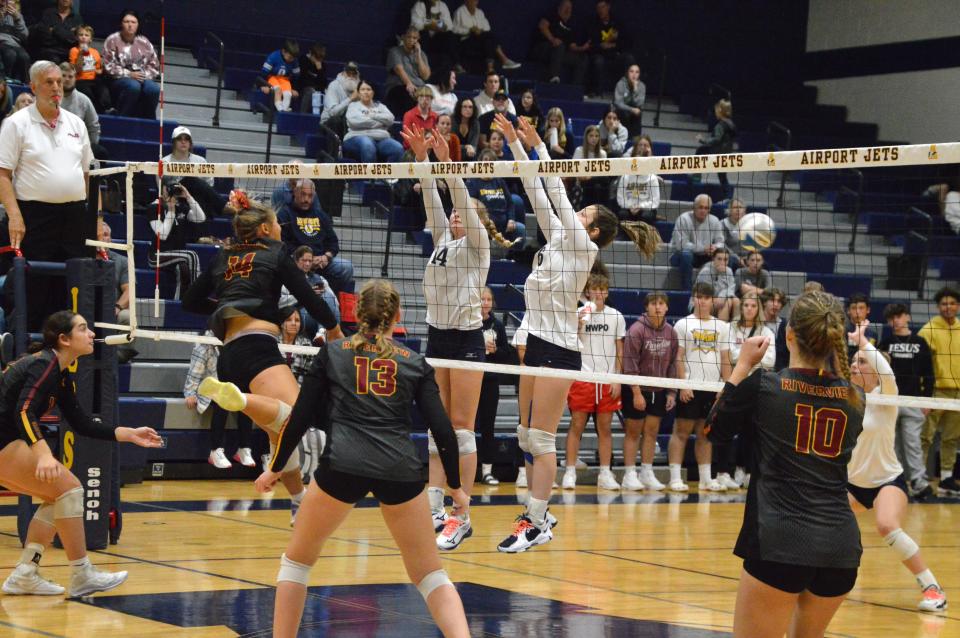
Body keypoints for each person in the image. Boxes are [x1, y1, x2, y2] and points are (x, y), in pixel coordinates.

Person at [246, 279, 470, 638]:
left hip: (342, 466)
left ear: (355, 313)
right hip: (399, 470)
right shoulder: (415, 362)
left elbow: (299, 417)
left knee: (296, 563)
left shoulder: (333, 353)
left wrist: (275, 467)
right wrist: (456, 487)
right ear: (397, 316)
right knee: (430, 574)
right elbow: (443, 431)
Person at [494, 114, 659, 551]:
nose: (576, 214)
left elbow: (559, 198)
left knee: (542, 438)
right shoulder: (558, 241)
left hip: (560, 350)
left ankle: (535, 521)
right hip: (540, 343)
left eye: (585, 214)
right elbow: (537, 190)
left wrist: (541, 148)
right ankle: (538, 513)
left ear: (594, 229)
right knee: (526, 436)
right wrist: (515, 144)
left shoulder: (583, 246)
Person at [706, 290, 865, 638]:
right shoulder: (856, 398)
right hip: (840, 549)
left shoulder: (765, 386)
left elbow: (713, 430)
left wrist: (742, 366)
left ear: (789, 334)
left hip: (780, 541)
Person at [182, 192, 342, 525]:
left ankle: (299, 502)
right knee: (295, 420)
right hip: (257, 348)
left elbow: (190, 301)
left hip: (229, 353)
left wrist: (228, 308)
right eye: (279, 225)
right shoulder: (276, 253)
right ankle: (240, 399)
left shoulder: (223, 255)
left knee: (279, 433)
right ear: (267, 229)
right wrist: (335, 331)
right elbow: (307, 297)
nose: (283, 229)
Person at [0, 311, 161, 597]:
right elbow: (23, 410)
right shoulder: (44, 364)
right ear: (64, 339)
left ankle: (26, 573)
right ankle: (82, 573)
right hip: (4, 440)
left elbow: (81, 423)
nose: (92, 334)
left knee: (58, 496)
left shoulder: (60, 373)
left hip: (8, 441)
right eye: (84, 329)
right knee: (71, 490)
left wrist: (128, 433)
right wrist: (43, 454)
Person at [403, 127, 510, 551]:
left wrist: (450, 164)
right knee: (437, 426)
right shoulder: (443, 240)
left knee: (462, 431)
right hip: (437, 336)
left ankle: (461, 516)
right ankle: (433, 504)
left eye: (461, 215)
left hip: (466, 338)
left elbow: (458, 197)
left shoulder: (477, 245)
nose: (454, 216)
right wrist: (421, 159)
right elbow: (433, 195)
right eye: (453, 215)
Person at [847, 330, 947, 611]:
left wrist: (863, 342)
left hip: (886, 481)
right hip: (851, 485)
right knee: (818, 521)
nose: (856, 365)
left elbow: (886, 370)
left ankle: (932, 589)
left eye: (862, 362)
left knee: (887, 525)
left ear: (876, 370)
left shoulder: (886, 395)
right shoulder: (845, 396)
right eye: (853, 361)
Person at [0, 60, 93, 330]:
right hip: (35, 216)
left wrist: (94, 217)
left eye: (59, 82)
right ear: (33, 86)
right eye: (49, 82)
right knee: (35, 288)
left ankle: (70, 356)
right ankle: (29, 355)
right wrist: (14, 215)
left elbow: (88, 175)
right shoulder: (16, 124)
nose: (56, 87)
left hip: (74, 216)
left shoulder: (76, 123)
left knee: (72, 288)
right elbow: (3, 174)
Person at [562, 273, 625, 490]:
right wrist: (579, 324)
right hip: (583, 377)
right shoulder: (579, 313)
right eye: (594, 289)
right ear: (587, 292)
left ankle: (605, 474)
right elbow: (571, 344)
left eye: (602, 289)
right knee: (576, 424)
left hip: (607, 379)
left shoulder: (616, 316)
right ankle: (570, 472)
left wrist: (617, 379)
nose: (598, 293)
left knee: (605, 428)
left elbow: (620, 350)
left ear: (607, 292)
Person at [669, 281, 732, 492]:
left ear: (712, 301)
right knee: (681, 432)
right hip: (691, 386)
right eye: (699, 297)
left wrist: (726, 388)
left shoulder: (722, 327)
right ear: (694, 299)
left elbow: (725, 359)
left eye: (706, 298)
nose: (703, 301)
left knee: (706, 434)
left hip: (713, 387)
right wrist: (683, 385)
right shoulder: (683, 324)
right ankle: (675, 477)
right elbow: (678, 357)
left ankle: (706, 479)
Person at [620, 292, 678, 491]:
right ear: (647, 307)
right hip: (636, 387)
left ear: (667, 307)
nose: (658, 307)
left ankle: (646, 472)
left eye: (662, 303)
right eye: (654, 304)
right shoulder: (636, 330)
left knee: (652, 432)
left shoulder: (671, 332)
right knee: (633, 431)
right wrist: (636, 393)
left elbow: (672, 364)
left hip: (659, 388)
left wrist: (671, 392)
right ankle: (629, 474)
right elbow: (629, 364)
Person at [719, 294, 776, 489]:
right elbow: (727, 355)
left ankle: (745, 470)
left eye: (753, 305)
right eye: (746, 305)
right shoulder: (730, 328)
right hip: (736, 382)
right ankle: (723, 472)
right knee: (727, 427)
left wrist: (744, 357)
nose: (749, 309)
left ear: (758, 308)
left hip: (755, 385)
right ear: (740, 307)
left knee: (752, 431)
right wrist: (749, 357)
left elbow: (770, 361)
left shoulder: (766, 330)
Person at [878, 303, 935, 498]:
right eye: (890, 318)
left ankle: (919, 482)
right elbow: (877, 372)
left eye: (898, 316)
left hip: (913, 401)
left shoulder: (920, 342)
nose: (895, 321)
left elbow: (929, 374)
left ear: (907, 317)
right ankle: (896, 481)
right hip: (889, 400)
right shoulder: (885, 343)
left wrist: (927, 401)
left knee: (913, 443)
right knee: (890, 444)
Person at [183, 335, 256, 470]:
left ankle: (243, 448)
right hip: (210, 388)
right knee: (222, 401)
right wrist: (190, 393)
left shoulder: (239, 341)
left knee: (247, 398)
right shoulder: (205, 345)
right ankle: (215, 450)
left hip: (232, 387)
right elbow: (194, 372)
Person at [277, 180, 354, 295]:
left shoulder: (320, 215)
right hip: (297, 263)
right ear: (295, 192)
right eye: (303, 194)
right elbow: (283, 245)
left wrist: (326, 257)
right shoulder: (284, 214)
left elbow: (333, 242)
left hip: (321, 262)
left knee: (346, 267)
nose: (306, 199)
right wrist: (306, 260)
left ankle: (337, 302)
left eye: (310, 196)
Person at [918, 286, 960, 494]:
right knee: (925, 436)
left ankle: (946, 479)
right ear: (938, 307)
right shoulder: (928, 330)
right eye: (944, 304)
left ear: (958, 306)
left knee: (951, 438)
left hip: (958, 394)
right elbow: (920, 363)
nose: (948, 307)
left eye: (952, 303)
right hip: (935, 391)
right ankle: (917, 478)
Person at [476, 287, 515, 485]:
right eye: (482, 299)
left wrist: (495, 349)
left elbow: (506, 354)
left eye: (488, 299)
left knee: (488, 426)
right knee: (463, 426)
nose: (485, 302)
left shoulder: (497, 325)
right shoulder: (470, 323)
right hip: (470, 380)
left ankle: (487, 471)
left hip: (490, 380)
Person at [148, 183, 205, 299]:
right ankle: (196, 297)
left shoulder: (180, 207)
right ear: (161, 189)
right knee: (191, 255)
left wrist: (188, 197)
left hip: (177, 255)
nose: (170, 192)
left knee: (183, 268)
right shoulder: (154, 208)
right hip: (157, 256)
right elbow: (162, 235)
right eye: (167, 188)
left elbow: (200, 218)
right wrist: (171, 211)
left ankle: (181, 301)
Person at [102, 10, 160, 119]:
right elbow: (108, 65)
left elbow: (154, 66)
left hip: (142, 77)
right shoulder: (112, 40)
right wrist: (129, 74)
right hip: (118, 79)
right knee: (133, 86)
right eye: (126, 22)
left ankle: (148, 121)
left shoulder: (144, 42)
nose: (130, 25)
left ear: (138, 25)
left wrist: (141, 75)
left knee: (153, 89)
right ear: (121, 23)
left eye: (133, 22)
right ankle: (123, 118)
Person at [161, 126, 228, 218]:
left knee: (195, 183)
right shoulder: (164, 162)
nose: (183, 142)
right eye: (179, 139)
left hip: (198, 202)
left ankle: (217, 209)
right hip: (178, 200)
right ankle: (223, 207)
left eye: (187, 139)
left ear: (190, 143)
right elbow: (163, 191)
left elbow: (209, 187)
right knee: (190, 179)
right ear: (174, 142)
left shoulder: (201, 161)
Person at [669, 194, 724, 291]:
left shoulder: (715, 221)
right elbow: (681, 245)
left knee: (728, 258)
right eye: (700, 207)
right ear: (694, 207)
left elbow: (721, 242)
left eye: (706, 208)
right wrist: (703, 248)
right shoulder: (684, 219)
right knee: (686, 255)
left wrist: (715, 248)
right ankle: (688, 291)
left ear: (709, 210)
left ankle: (721, 291)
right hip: (680, 255)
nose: (703, 210)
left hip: (704, 255)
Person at [343, 80, 405, 164]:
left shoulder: (381, 106)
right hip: (357, 137)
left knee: (398, 148)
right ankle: (370, 177)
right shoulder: (353, 106)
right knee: (368, 144)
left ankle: (389, 177)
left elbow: (390, 119)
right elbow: (354, 122)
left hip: (381, 139)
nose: (366, 92)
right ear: (358, 93)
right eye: (363, 89)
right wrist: (381, 123)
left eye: (369, 89)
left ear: (373, 92)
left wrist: (372, 115)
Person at [451, 0, 521, 74]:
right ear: (466, 1)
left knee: (489, 38)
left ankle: (490, 69)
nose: (474, 2)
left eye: (475, 1)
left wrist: (479, 30)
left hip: (481, 38)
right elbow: (455, 29)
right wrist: (470, 30)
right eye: (471, 1)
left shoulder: (480, 12)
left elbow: (487, 27)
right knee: (488, 38)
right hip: (466, 39)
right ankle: (504, 60)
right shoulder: (459, 11)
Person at [532, 0, 588, 85]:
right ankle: (553, 77)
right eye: (565, 7)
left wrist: (582, 48)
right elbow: (542, 26)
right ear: (559, 8)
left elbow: (572, 46)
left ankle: (575, 87)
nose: (568, 10)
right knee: (560, 46)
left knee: (582, 59)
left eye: (570, 8)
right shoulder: (552, 15)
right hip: (543, 48)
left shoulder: (570, 25)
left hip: (559, 53)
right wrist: (552, 39)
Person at [58, 62, 107, 160]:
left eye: (70, 76)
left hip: (77, 145)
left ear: (75, 79)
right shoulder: (48, 97)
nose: (67, 79)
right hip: (53, 143)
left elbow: (94, 127)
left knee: (100, 152)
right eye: (63, 76)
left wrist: (88, 147)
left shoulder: (84, 100)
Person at [586, 0, 634, 97]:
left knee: (629, 58)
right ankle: (597, 92)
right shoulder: (593, 23)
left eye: (602, 7)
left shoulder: (617, 22)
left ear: (608, 7)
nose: (600, 10)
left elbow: (627, 41)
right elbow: (591, 44)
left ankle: (627, 91)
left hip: (615, 54)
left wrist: (614, 45)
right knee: (598, 61)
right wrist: (601, 45)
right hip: (600, 54)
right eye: (598, 8)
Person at [383, 27, 431, 118]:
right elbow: (399, 69)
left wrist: (419, 55)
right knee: (407, 95)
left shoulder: (422, 54)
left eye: (414, 38)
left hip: (419, 88)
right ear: (403, 37)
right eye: (409, 37)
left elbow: (426, 76)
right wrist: (409, 84)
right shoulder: (395, 51)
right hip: (399, 86)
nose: (411, 40)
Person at [466, 170, 525, 244]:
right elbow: (472, 206)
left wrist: (511, 219)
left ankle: (512, 254)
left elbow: (510, 203)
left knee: (520, 229)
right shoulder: (473, 182)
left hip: (504, 224)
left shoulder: (499, 181)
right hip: (485, 224)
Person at [615, 135, 659, 223]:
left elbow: (655, 201)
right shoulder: (625, 176)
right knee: (622, 214)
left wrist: (640, 206)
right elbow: (620, 198)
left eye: (645, 145)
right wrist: (631, 206)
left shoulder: (652, 178)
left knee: (646, 216)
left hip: (645, 208)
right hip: (629, 207)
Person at [696, 99, 737, 192]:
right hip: (726, 153)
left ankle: (696, 175)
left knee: (701, 150)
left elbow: (716, 139)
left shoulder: (721, 125)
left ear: (720, 111)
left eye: (716, 110)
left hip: (717, 152)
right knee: (722, 176)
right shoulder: (731, 124)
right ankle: (728, 194)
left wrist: (703, 140)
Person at [68, 25, 110, 113]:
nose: (83, 37)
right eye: (81, 35)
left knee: (103, 92)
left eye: (86, 35)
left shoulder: (95, 52)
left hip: (94, 79)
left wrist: (100, 70)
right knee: (87, 93)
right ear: (76, 37)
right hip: (80, 79)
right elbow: (76, 70)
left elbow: (98, 70)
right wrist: (80, 54)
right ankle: (92, 112)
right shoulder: (74, 50)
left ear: (90, 39)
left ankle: (105, 110)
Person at [410, 0, 458, 72]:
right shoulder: (419, 5)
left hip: (436, 38)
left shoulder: (442, 5)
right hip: (422, 38)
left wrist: (438, 25)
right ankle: (421, 64)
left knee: (450, 35)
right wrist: (429, 25)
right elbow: (416, 24)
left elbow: (449, 26)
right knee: (423, 33)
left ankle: (454, 65)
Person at [694, 247, 739, 322]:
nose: (722, 262)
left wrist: (722, 296)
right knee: (727, 302)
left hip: (719, 300)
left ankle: (736, 328)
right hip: (702, 301)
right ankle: (722, 330)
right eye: (719, 259)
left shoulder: (729, 271)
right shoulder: (706, 271)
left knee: (736, 301)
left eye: (725, 260)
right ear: (713, 259)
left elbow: (731, 289)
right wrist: (722, 275)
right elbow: (708, 293)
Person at [258, 39, 300, 113]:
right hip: (272, 78)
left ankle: (284, 109)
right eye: (290, 57)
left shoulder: (294, 61)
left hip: (285, 80)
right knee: (278, 90)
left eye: (293, 58)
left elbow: (296, 76)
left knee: (288, 94)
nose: (291, 60)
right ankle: (280, 109)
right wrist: (264, 85)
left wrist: (294, 88)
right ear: (284, 51)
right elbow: (263, 73)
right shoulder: (273, 57)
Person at [572, 124, 608, 208]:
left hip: (597, 184)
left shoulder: (603, 154)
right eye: (591, 136)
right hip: (581, 183)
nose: (594, 138)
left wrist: (590, 176)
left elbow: (604, 174)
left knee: (598, 186)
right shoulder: (579, 151)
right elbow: (573, 170)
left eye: (596, 136)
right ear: (586, 137)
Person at [278, 308, 315, 384]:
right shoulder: (273, 341)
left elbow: (307, 373)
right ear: (281, 323)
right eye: (288, 320)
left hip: (298, 389)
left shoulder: (306, 344)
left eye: (297, 320)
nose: (293, 323)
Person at [319, 61, 359, 128]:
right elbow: (333, 113)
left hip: (349, 121)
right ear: (343, 73)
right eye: (348, 74)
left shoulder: (359, 88)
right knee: (336, 120)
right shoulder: (334, 85)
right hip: (329, 122)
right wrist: (350, 99)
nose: (351, 77)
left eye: (354, 74)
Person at [0, 0, 29, 83]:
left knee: (25, 57)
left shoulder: (15, 14)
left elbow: (25, 35)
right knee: (10, 54)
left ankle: (25, 85)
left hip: (14, 43)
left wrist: (17, 19)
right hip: (1, 42)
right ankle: (6, 83)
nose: (3, 3)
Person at [614, 63, 645, 138]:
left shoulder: (641, 86)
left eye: (637, 72)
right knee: (623, 112)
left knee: (638, 112)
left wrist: (635, 90)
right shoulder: (621, 84)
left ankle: (635, 139)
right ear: (627, 73)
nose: (634, 74)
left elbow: (639, 104)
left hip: (633, 113)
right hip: (622, 111)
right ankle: (621, 137)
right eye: (631, 71)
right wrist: (631, 109)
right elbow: (618, 103)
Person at [297, 42, 327, 115]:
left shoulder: (322, 65)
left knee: (324, 93)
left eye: (320, 59)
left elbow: (323, 83)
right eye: (316, 58)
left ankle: (320, 119)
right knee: (310, 91)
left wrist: (320, 70)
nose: (318, 61)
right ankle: (302, 115)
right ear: (311, 53)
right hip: (303, 87)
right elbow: (301, 78)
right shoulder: (303, 60)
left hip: (316, 89)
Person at [845, 293, 878, 359]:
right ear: (848, 310)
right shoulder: (841, 331)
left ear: (868, 310)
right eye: (854, 308)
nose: (857, 312)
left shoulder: (873, 335)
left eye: (861, 308)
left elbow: (874, 358)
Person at [721, 198, 746, 268]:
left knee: (762, 265)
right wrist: (737, 258)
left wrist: (750, 257)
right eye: (735, 207)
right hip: (730, 256)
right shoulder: (723, 224)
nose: (738, 210)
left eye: (740, 207)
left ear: (744, 211)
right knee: (730, 260)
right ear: (730, 210)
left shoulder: (750, 224)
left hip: (746, 257)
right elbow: (721, 244)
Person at [452, 96, 479, 160]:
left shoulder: (475, 123)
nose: (468, 109)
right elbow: (452, 145)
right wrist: (466, 146)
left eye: (470, 107)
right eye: (465, 107)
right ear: (459, 108)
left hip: (469, 155)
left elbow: (474, 145)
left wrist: (470, 148)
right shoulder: (452, 121)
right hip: (453, 154)